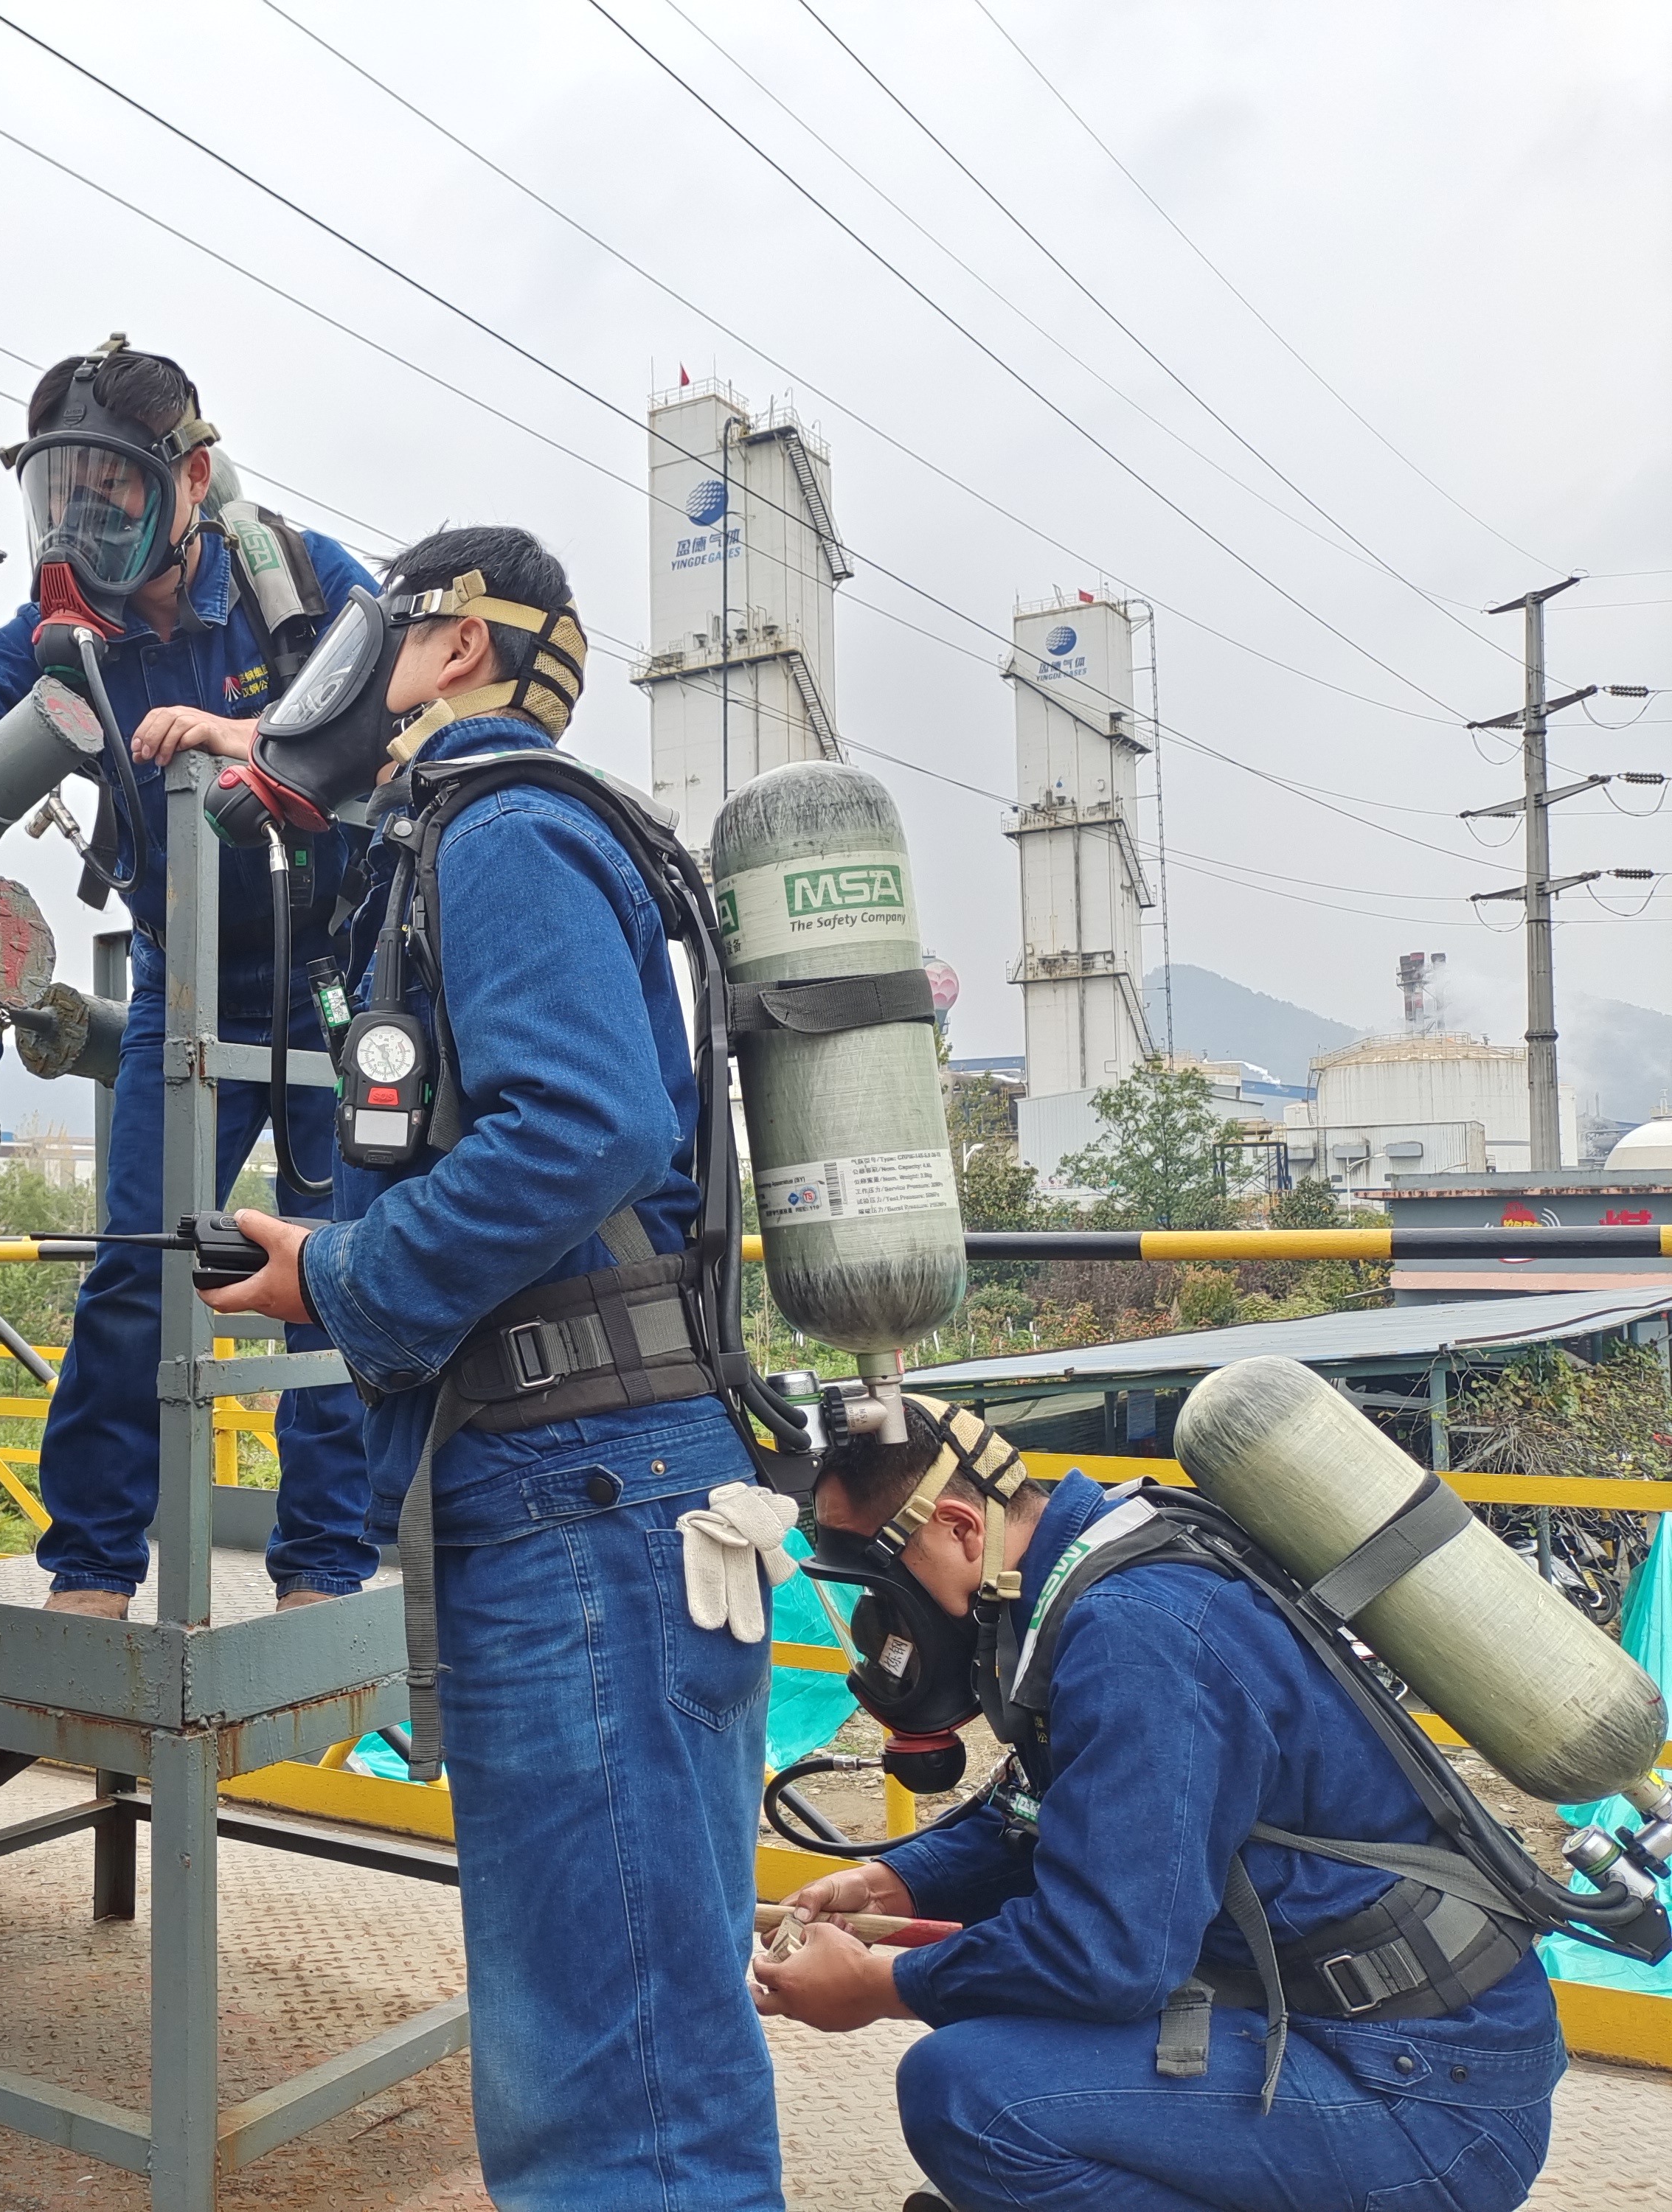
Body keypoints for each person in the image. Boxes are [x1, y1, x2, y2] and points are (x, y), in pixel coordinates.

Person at [201, 524, 789, 2208]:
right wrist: (329, 1263)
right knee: (613, 2018)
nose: (344, 669)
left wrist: (349, 1271)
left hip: (580, 1494)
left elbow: (584, 1124)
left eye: (376, 631)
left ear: (454, 644)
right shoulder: (467, 835)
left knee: (613, 2070)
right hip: (578, 1480)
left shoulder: (504, 824)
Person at [753, 1396, 1569, 2212]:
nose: (880, 1625)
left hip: (1422, 2099)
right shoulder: (1089, 1561)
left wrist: (882, 1984)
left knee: (969, 2093)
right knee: (991, 1998)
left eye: (882, 1590)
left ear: (961, 1529)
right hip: (1372, 2037)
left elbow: (1106, 1958)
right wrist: (896, 1884)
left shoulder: (1134, 1630)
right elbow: (1047, 1805)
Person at [0, 338, 379, 1618]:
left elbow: (399, 723)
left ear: (192, 479)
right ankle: (94, 1568)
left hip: (341, 980)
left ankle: (325, 1567)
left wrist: (244, 736)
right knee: (138, 1264)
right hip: (190, 981)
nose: (81, 520)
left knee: (331, 1266)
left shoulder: (308, 587)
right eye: (59, 491)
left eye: (109, 489)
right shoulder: (69, 634)